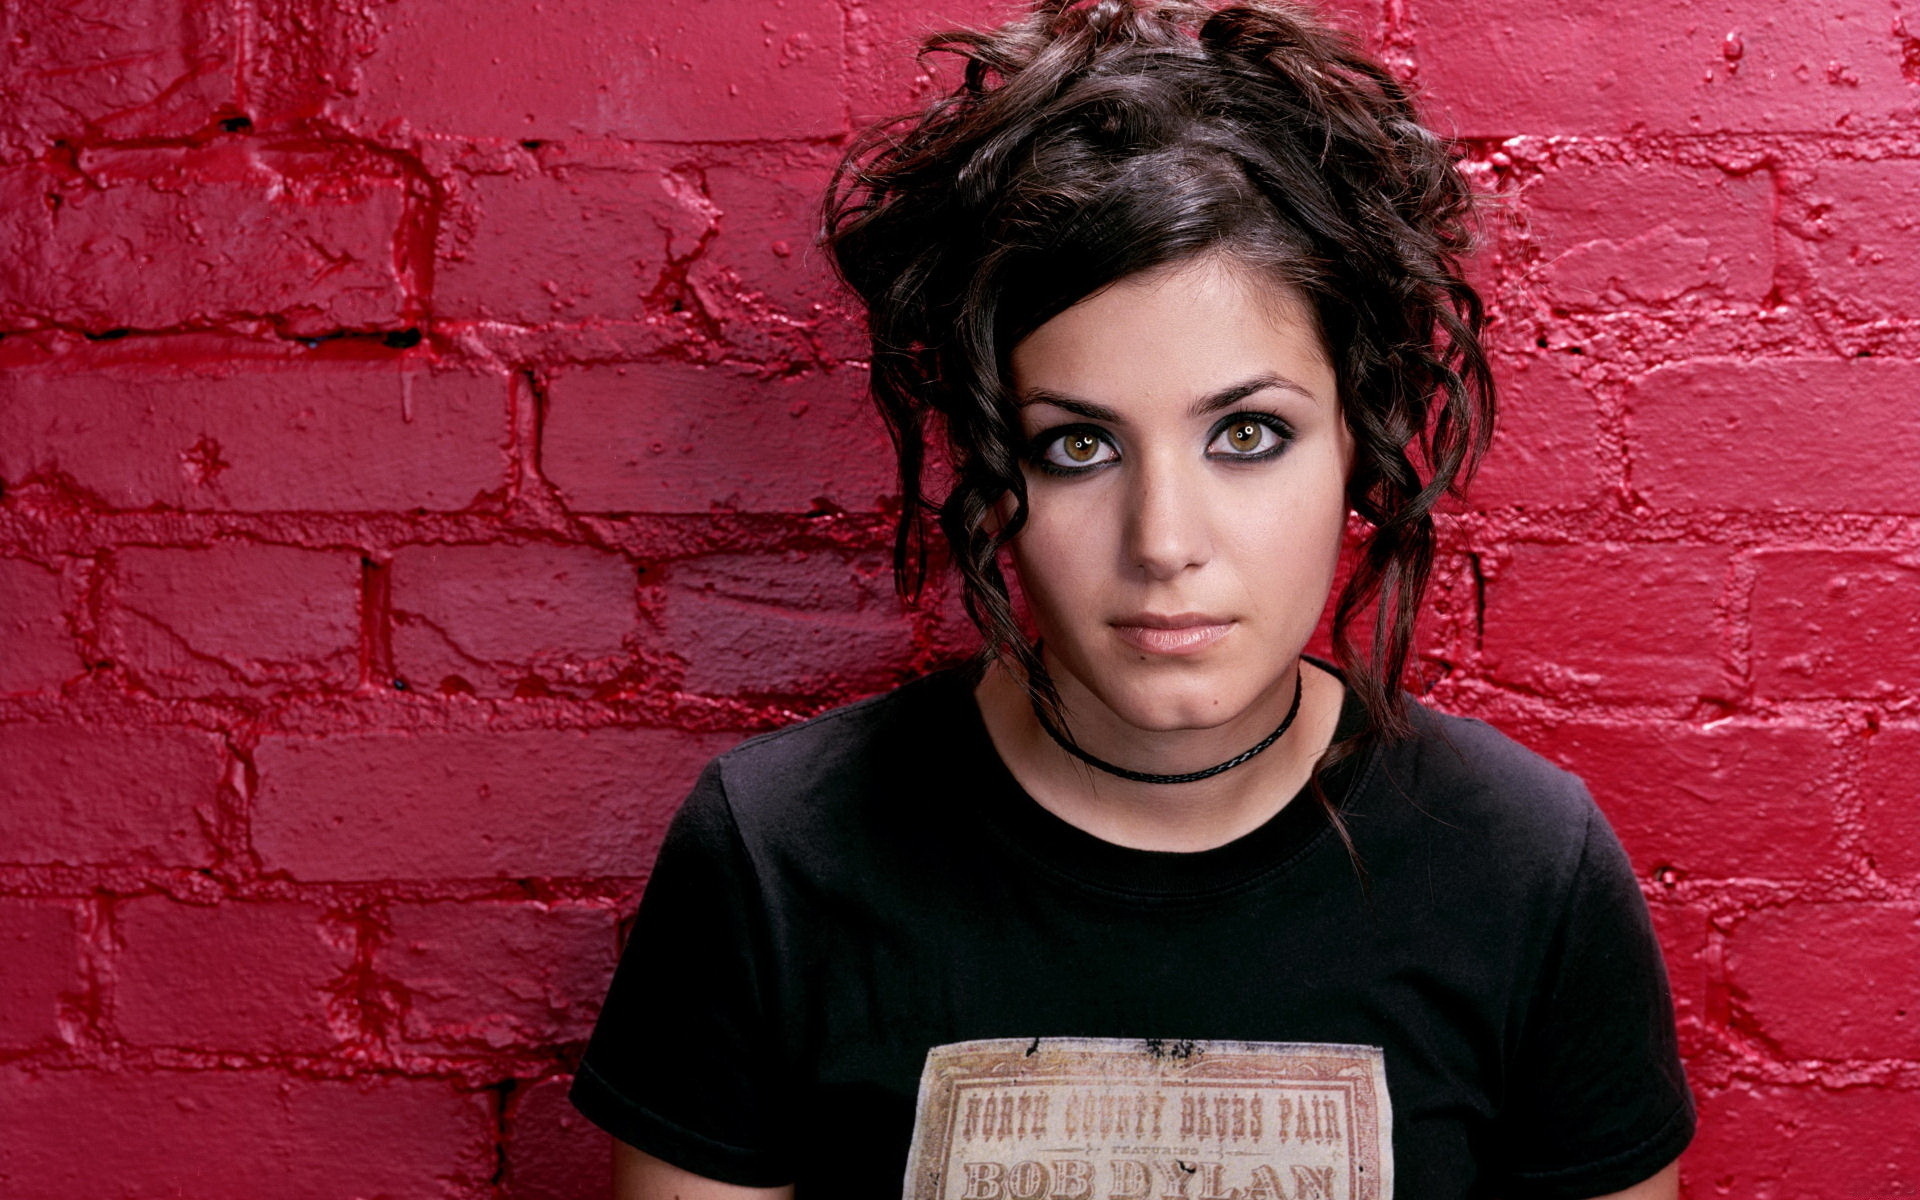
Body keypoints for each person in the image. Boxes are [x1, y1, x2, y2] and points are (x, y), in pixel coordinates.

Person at [570, 1, 1695, 1197]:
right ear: (988, 466)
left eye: (1247, 433)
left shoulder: (1524, 870)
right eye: (1078, 447)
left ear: (1357, 445)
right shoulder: (776, 858)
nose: (1163, 543)